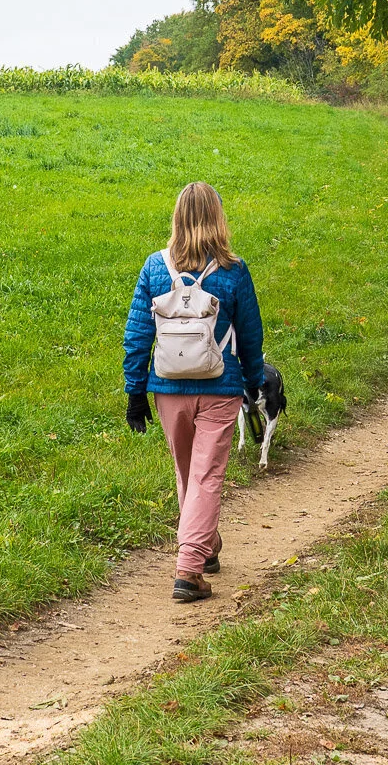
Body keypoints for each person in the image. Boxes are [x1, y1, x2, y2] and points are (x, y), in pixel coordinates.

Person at [122, 182, 266, 603]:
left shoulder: (154, 267)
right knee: (205, 475)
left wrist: (135, 391)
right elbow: (251, 335)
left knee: (188, 472)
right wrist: (254, 382)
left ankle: (204, 544)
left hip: (167, 388)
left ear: (177, 217)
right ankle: (189, 569)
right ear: (219, 218)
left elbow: (137, 334)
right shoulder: (233, 270)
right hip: (220, 386)